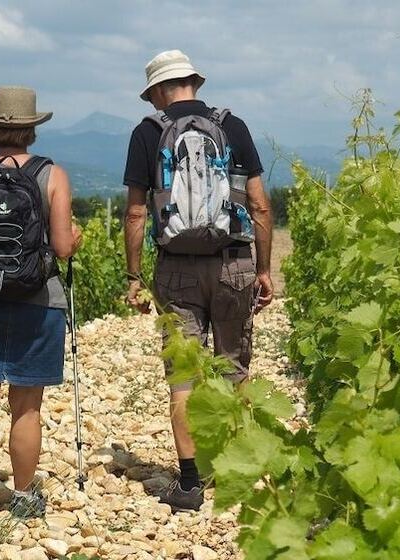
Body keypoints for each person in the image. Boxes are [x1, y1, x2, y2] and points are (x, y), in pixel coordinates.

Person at [123, 50, 273, 511]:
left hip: (176, 268)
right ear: (192, 83)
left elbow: (135, 212)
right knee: (234, 367)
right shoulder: (234, 127)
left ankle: (189, 483)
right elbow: (259, 204)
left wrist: (134, 277)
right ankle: (238, 470)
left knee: (183, 377)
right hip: (232, 263)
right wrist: (264, 269)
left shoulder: (148, 133)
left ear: (158, 92)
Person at [0, 86, 82, 539]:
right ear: (32, 128)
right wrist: (74, 239)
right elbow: (62, 248)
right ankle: (23, 495)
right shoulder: (53, 175)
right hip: (38, 302)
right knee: (27, 404)